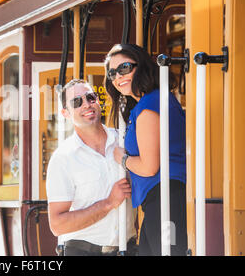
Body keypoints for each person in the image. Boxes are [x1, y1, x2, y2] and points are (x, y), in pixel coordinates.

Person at [104, 43, 188, 256]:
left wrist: (122, 159)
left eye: (124, 68)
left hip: (166, 198)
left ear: (140, 66)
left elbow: (149, 167)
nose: (117, 77)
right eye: (112, 73)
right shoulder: (146, 103)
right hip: (157, 200)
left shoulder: (150, 105)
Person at [46, 79, 136, 256]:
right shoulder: (63, 158)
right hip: (83, 252)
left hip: (128, 249)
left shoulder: (123, 141)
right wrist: (108, 203)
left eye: (90, 97)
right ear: (65, 113)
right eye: (77, 102)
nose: (86, 105)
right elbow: (57, 225)